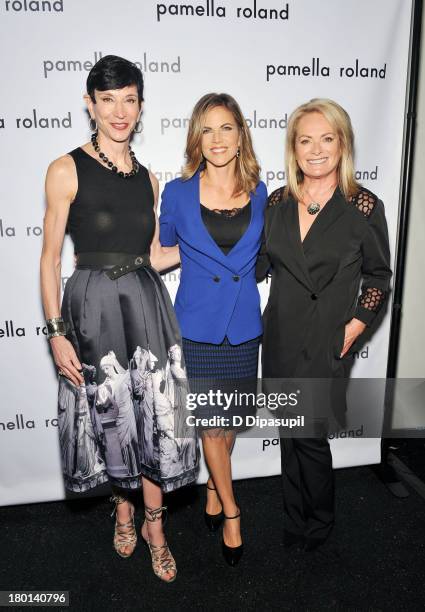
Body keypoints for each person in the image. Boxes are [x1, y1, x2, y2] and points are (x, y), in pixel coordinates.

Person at [40, 55, 199, 582]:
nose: (119, 111)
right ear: (90, 104)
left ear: (141, 105)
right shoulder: (66, 168)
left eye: (129, 99)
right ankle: (123, 511)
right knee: (111, 412)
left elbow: (151, 254)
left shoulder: (149, 179)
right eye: (107, 100)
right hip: (92, 306)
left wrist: (205, 241)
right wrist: (56, 330)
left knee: (154, 416)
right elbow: (48, 258)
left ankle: (156, 526)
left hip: (146, 303)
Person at [257, 98, 392, 551]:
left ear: (343, 144)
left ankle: (319, 522)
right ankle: (295, 518)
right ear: (293, 148)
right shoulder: (277, 201)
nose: (315, 150)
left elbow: (379, 275)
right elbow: (257, 266)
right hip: (280, 335)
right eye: (305, 140)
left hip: (325, 338)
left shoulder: (362, 206)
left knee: (309, 435)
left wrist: (356, 325)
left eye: (326, 139)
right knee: (288, 434)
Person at [159, 93, 267, 566]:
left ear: (241, 134)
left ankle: (212, 490)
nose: (218, 139)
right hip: (198, 326)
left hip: (243, 326)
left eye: (226, 128)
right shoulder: (178, 192)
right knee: (211, 424)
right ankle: (232, 512)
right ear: (196, 139)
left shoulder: (261, 190)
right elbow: (163, 250)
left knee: (229, 426)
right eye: (208, 130)